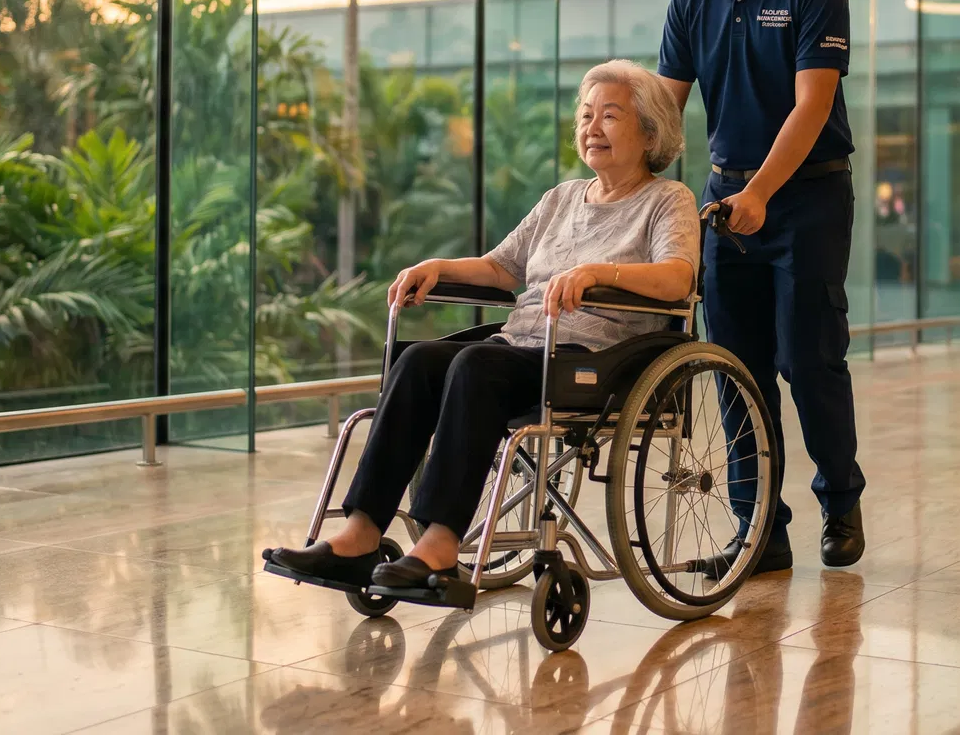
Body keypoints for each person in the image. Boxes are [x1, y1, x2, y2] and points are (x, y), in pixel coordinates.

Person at [264, 62, 701, 590]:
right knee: (420, 359)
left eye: (610, 116)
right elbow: (501, 268)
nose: (592, 128)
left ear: (650, 132)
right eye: (586, 115)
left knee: (477, 366)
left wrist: (595, 274)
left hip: (594, 361)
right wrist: (438, 269)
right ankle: (360, 534)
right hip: (522, 346)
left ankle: (441, 546)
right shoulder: (562, 198)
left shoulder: (666, 199)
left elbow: (679, 278)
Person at [658, 0, 865, 575]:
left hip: (806, 195)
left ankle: (840, 500)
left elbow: (813, 106)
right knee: (733, 368)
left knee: (808, 360)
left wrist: (762, 192)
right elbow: (667, 111)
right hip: (725, 197)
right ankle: (759, 531)